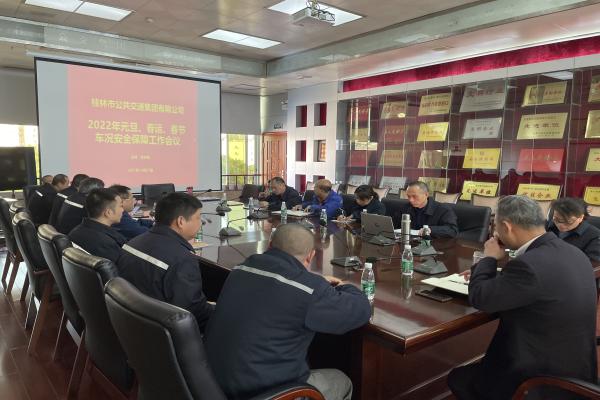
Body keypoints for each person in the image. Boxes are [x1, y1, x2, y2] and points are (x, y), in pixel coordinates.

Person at [448, 195, 597, 400]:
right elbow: (540, 283)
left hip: (537, 380)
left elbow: (481, 298)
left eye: (495, 226)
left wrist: (488, 257)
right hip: (576, 366)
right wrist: (495, 274)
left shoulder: (529, 264)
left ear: (506, 226)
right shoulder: (573, 253)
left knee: (459, 378)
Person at [205, 223, 371, 400]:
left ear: (270, 245)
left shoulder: (241, 268)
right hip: (264, 392)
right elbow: (360, 309)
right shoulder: (308, 290)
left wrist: (313, 283)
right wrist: (344, 286)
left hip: (212, 384)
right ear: (311, 256)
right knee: (341, 381)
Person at [116, 192, 213, 331]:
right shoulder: (182, 259)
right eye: (198, 217)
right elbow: (193, 312)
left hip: (130, 324)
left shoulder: (133, 243)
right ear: (181, 221)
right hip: (162, 333)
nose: (201, 222)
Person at [68, 188, 126, 263]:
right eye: (121, 206)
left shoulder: (76, 231)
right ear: (108, 213)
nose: (123, 210)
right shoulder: (106, 244)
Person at [392, 181, 457, 238]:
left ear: (426, 194)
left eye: (414, 196)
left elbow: (452, 230)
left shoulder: (443, 209)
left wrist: (430, 230)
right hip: (409, 242)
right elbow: (394, 226)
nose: (411, 200)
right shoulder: (405, 208)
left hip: (434, 244)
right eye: (408, 196)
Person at [546, 197, 600, 261]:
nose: (561, 225)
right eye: (557, 220)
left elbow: (593, 262)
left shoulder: (595, 236)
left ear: (581, 217)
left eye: (568, 222)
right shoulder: (547, 226)